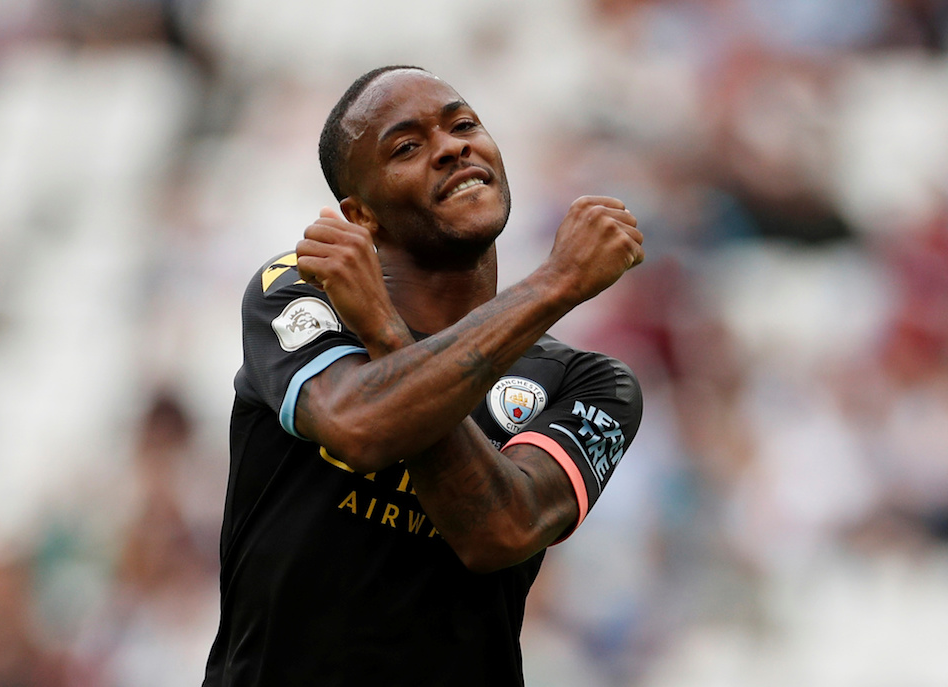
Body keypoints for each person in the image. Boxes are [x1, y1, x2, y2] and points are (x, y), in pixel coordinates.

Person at [202, 65, 645, 687]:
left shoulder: (592, 384)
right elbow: (356, 423)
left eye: (464, 125)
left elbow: (501, 530)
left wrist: (386, 334)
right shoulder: (308, 285)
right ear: (361, 215)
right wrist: (556, 283)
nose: (452, 147)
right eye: (407, 147)